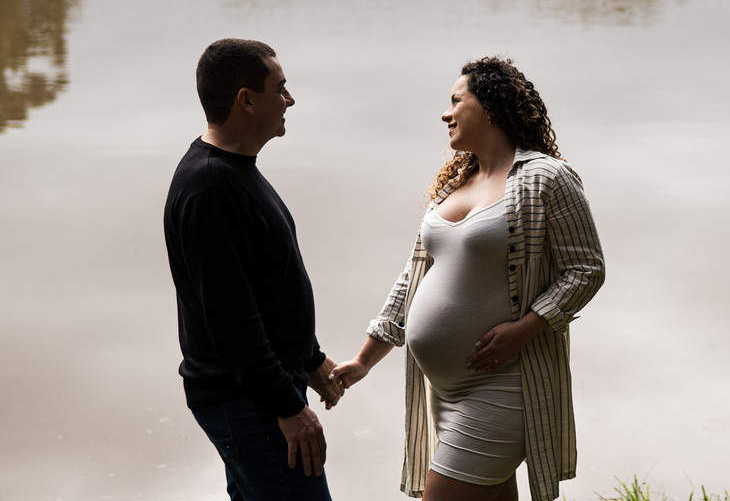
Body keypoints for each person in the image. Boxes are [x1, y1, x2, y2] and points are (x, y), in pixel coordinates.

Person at [331, 57, 604, 501]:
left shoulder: (546, 178)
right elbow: (413, 277)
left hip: (503, 384)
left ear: (491, 107)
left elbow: (587, 269)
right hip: (444, 389)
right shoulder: (456, 183)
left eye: (456, 100)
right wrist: (364, 359)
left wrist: (524, 329)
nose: (446, 113)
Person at [163, 38, 343, 501]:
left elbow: (266, 285)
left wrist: (309, 358)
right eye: (280, 88)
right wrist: (286, 405)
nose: (290, 99)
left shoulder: (235, 170)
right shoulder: (210, 188)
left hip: (261, 391)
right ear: (246, 100)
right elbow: (231, 319)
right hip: (250, 402)